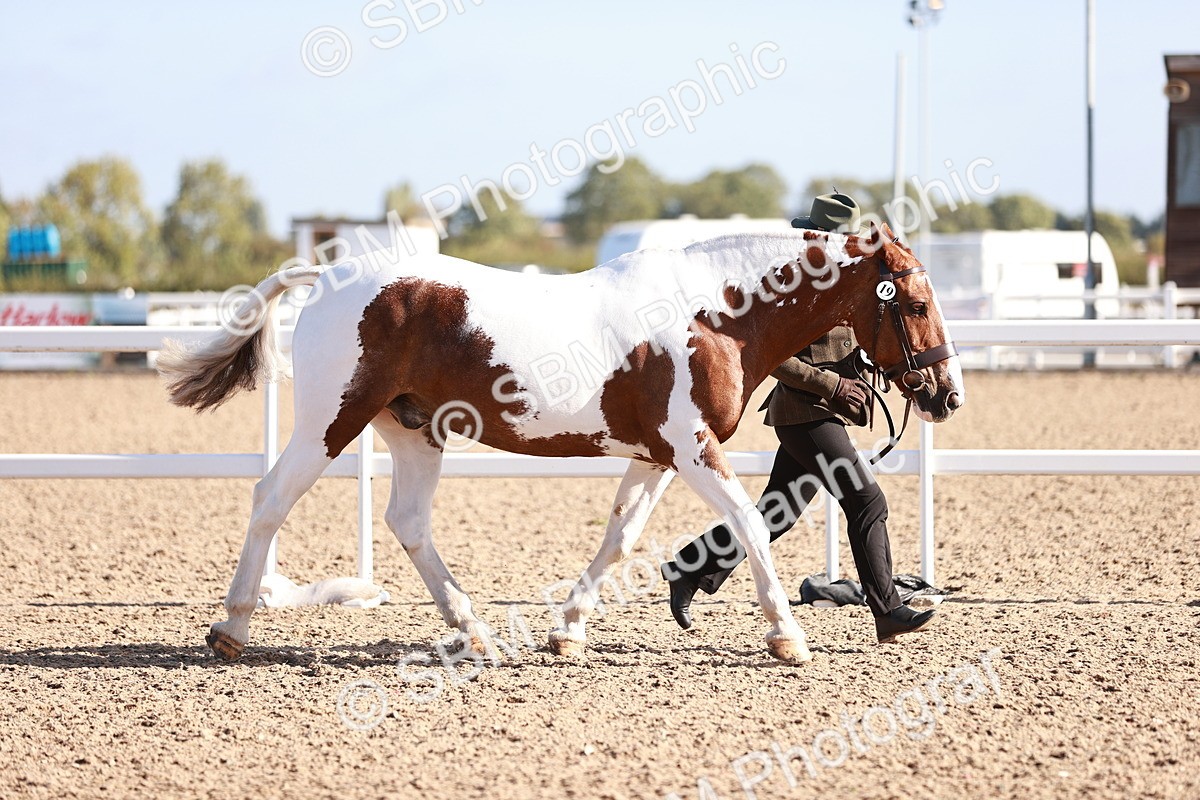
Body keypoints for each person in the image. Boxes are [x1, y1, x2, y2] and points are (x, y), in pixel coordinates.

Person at [659, 193, 935, 644]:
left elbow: (846, 342)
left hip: (818, 415)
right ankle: (887, 610)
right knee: (867, 502)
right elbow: (772, 359)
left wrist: (867, 370)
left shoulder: (843, 282)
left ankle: (688, 568)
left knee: (775, 513)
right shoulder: (791, 287)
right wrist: (834, 386)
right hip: (805, 413)